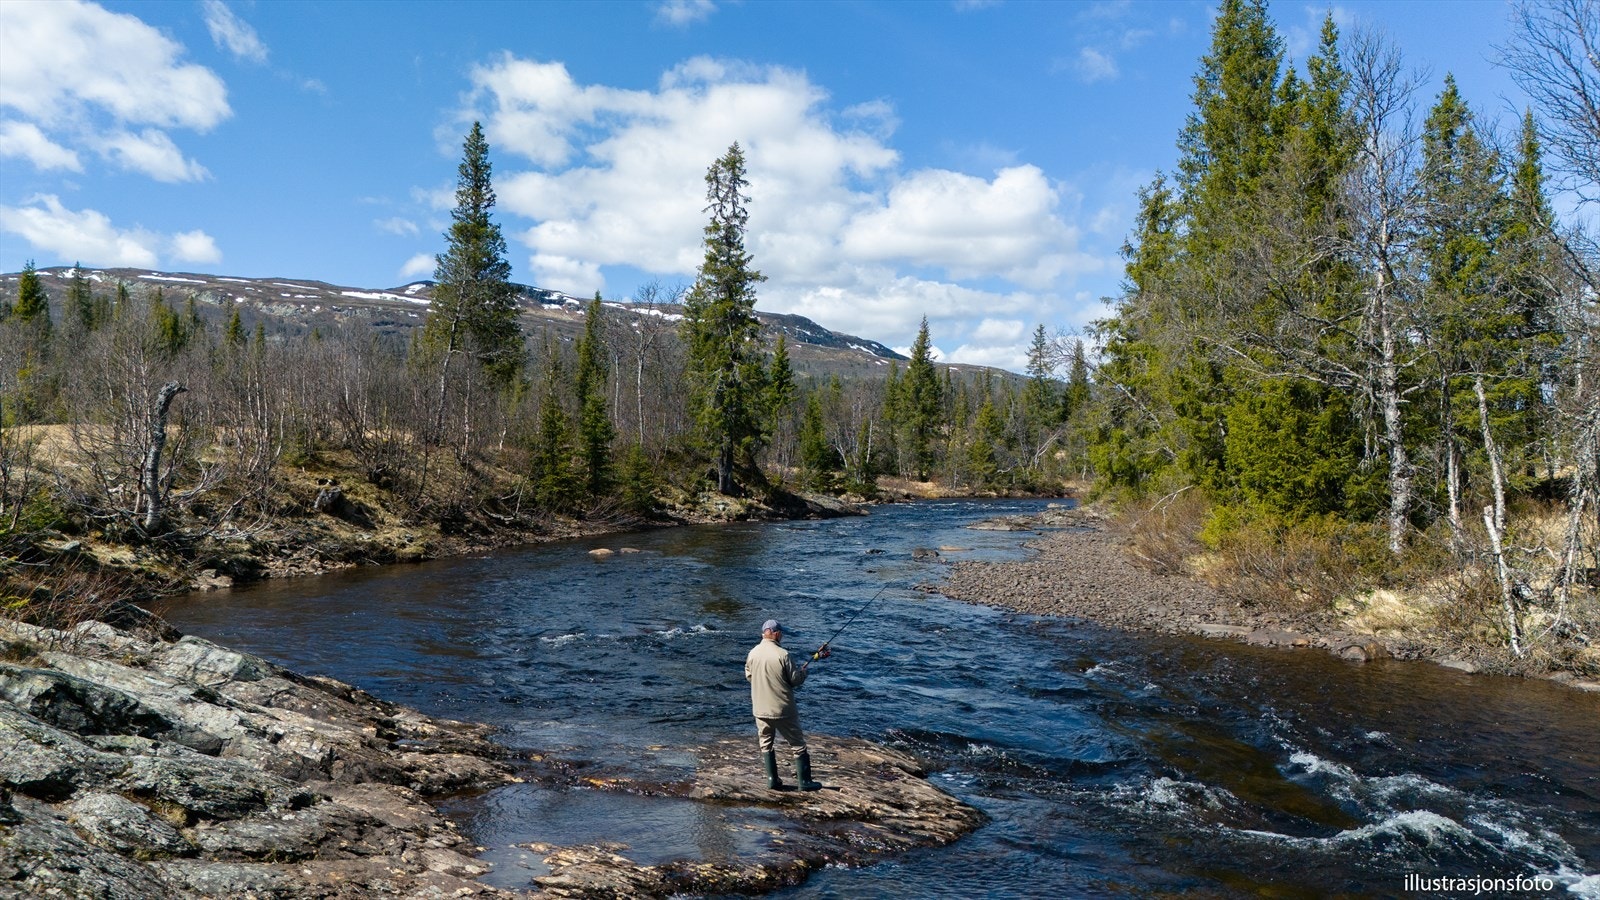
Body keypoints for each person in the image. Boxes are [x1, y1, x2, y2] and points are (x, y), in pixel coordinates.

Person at [744, 618, 828, 791]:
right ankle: (804, 783)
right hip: (783, 709)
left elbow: (749, 677)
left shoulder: (752, 653)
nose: (781, 636)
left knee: (765, 743)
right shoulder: (783, 655)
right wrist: (804, 672)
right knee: (798, 744)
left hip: (760, 709)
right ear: (775, 633)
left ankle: (772, 780)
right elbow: (795, 680)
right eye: (780, 633)